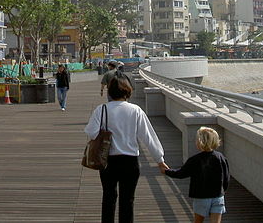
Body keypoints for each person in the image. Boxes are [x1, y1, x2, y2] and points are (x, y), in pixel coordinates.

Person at [85, 76, 168, 223]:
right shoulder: (135, 110)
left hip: (108, 161)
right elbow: (148, 137)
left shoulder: (102, 109)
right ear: (127, 91)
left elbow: (91, 132)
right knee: (127, 201)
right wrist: (160, 160)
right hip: (130, 161)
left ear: (110, 92)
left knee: (108, 198)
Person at [164, 127, 230, 223]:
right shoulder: (221, 157)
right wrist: (222, 191)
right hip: (218, 196)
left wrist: (167, 171)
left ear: (200, 142)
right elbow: (226, 177)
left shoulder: (195, 160)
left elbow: (181, 173)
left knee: (198, 221)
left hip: (201, 197)